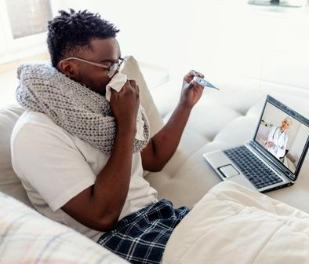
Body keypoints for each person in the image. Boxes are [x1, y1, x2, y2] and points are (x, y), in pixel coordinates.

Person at [11, 9, 204, 264]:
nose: (118, 74)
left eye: (118, 63)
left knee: (242, 233)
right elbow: (103, 217)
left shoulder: (103, 105)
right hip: (114, 239)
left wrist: (185, 104)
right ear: (69, 68)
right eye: (108, 65)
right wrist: (125, 126)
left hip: (159, 214)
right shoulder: (34, 133)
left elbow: (154, 157)